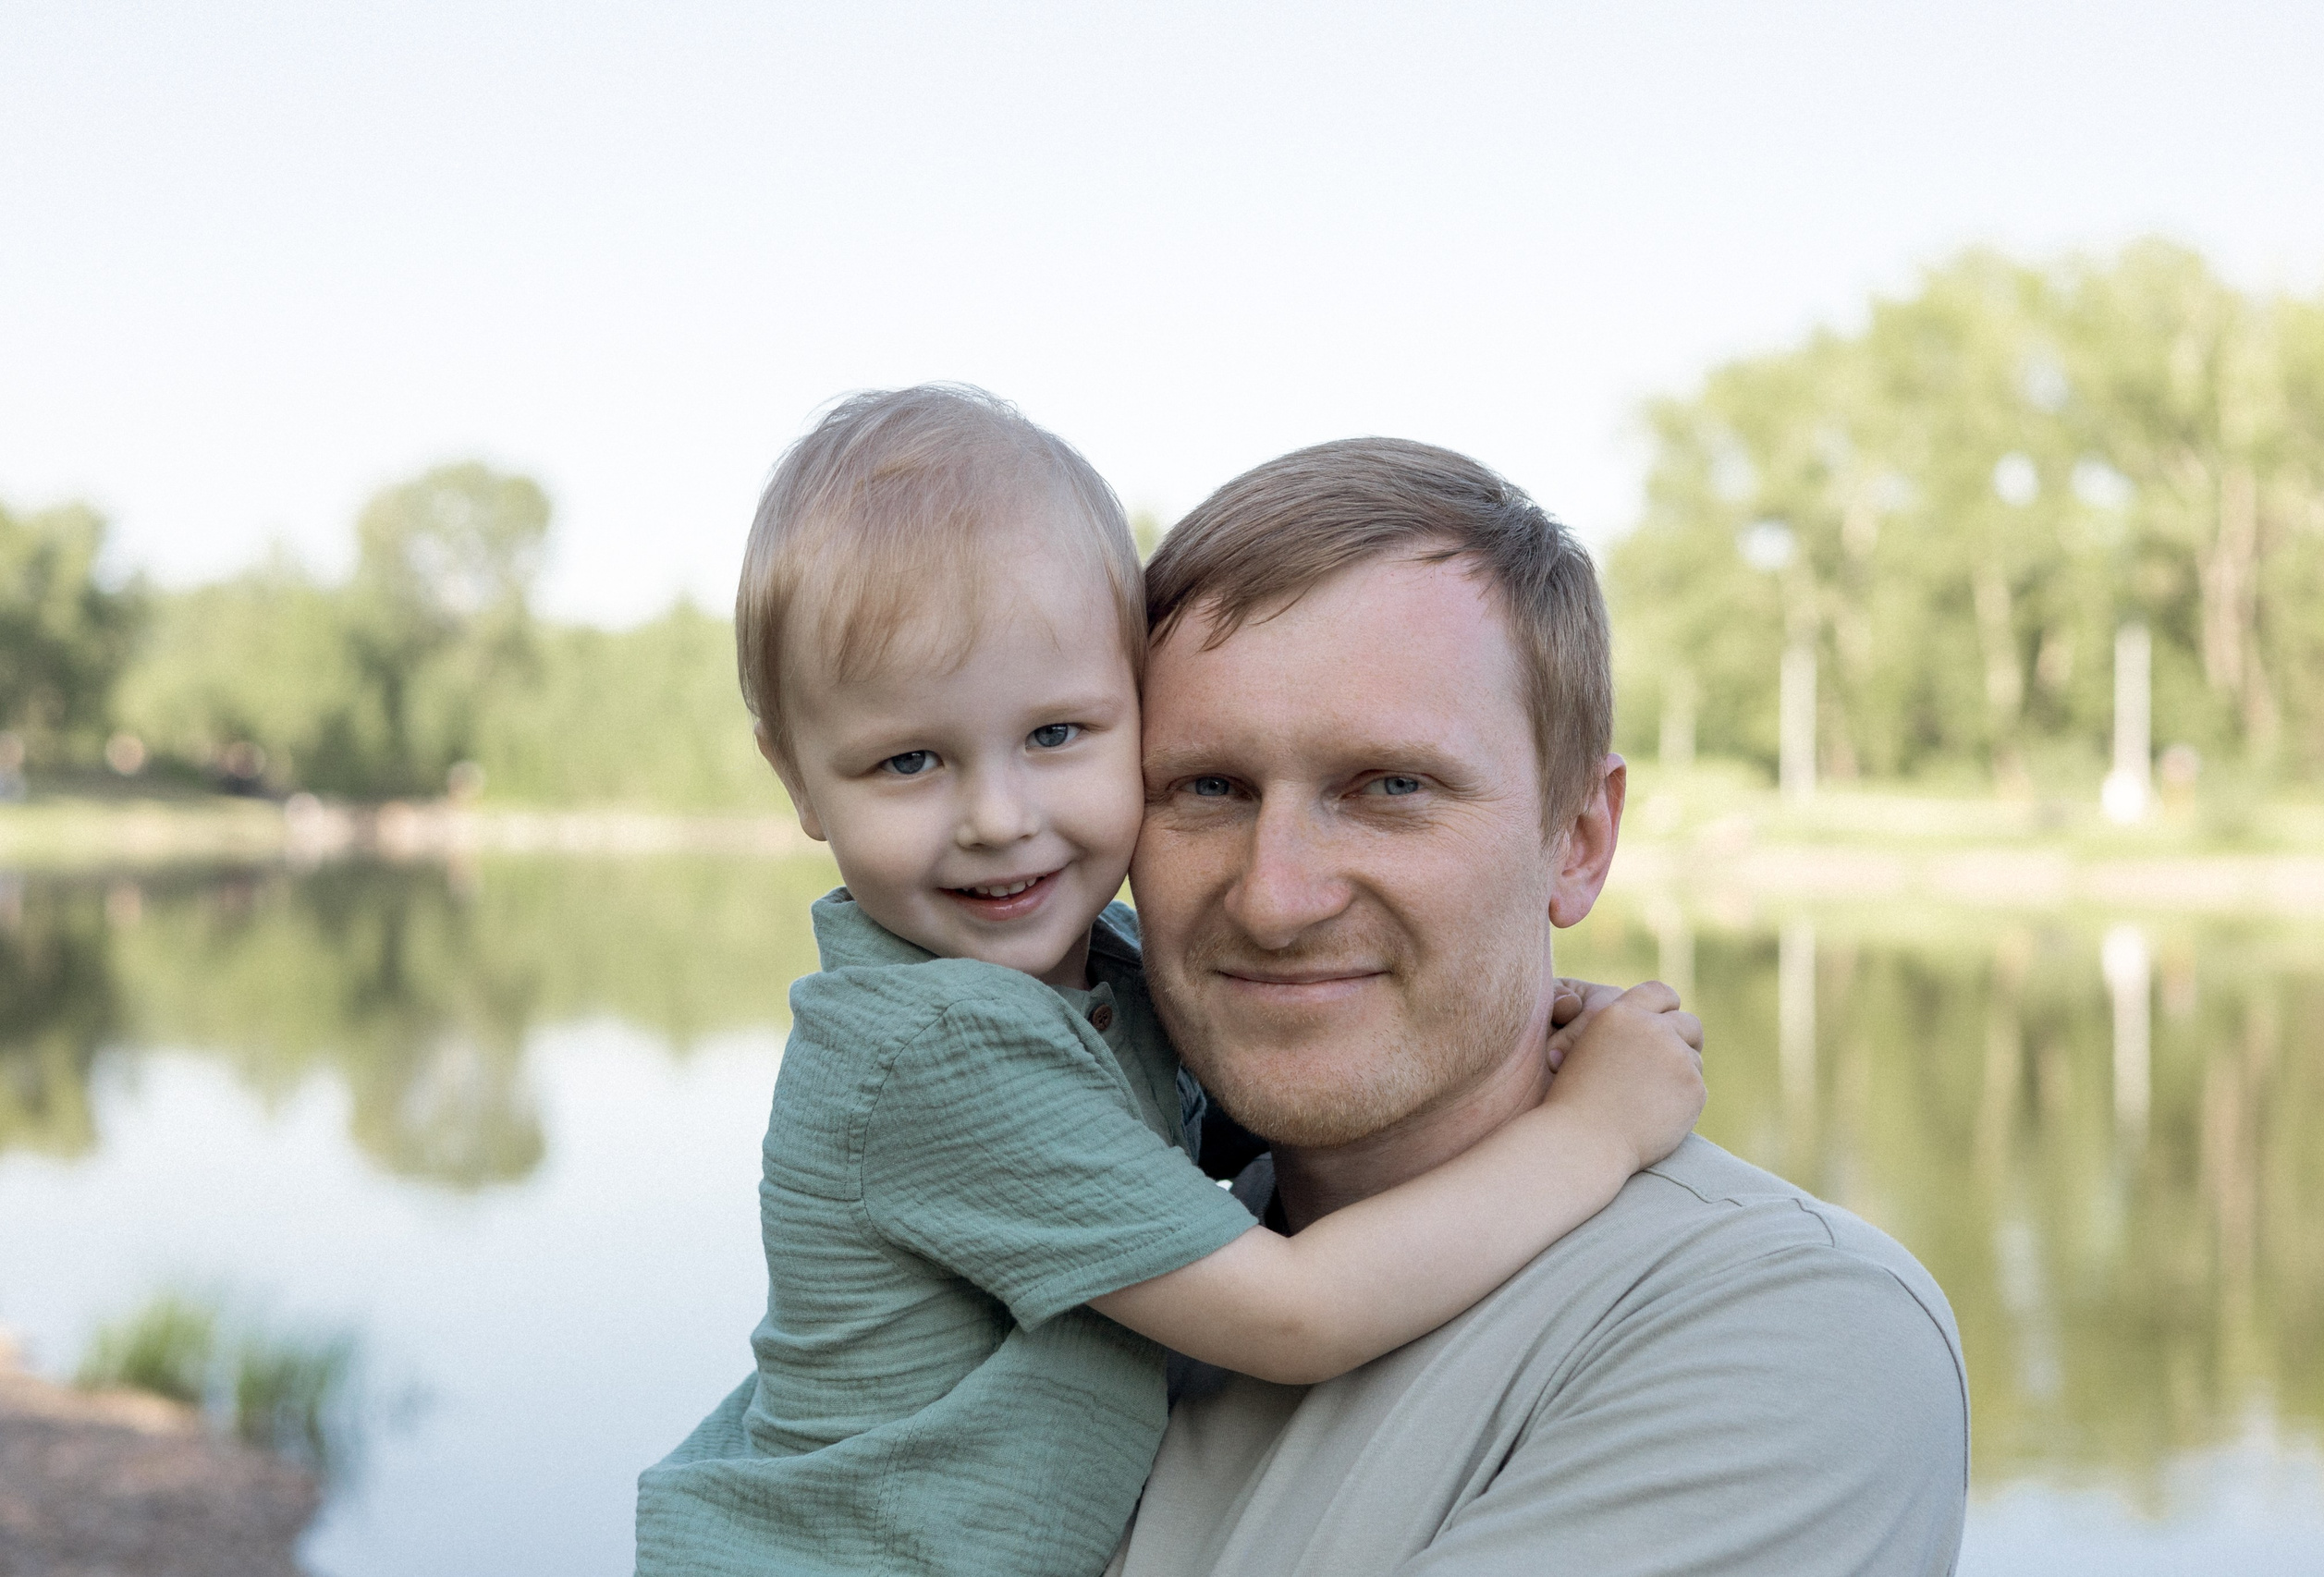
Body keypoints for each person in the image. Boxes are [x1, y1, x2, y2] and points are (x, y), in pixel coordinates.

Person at [633, 387, 1707, 1577]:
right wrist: (1598, 1127)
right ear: (796, 780)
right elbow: (1293, 1312)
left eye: (1056, 736)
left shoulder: (1104, 978)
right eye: (908, 759)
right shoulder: (935, 1046)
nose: (998, 818)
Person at [1107, 437, 1970, 1576]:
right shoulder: (1094, 1253)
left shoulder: (1792, 1329)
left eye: (1391, 787)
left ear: (1579, 837)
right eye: (1205, 788)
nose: (1274, 897)